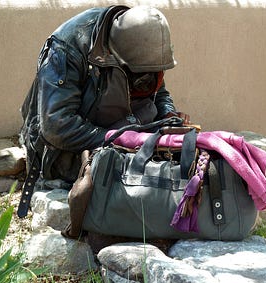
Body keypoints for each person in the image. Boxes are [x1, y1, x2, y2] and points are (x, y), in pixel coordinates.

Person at [17, 5, 189, 217]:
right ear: (116, 56)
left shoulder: (141, 41)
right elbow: (57, 126)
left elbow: (158, 92)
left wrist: (169, 116)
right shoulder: (67, 48)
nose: (147, 80)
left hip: (119, 133)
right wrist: (117, 138)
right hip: (67, 148)